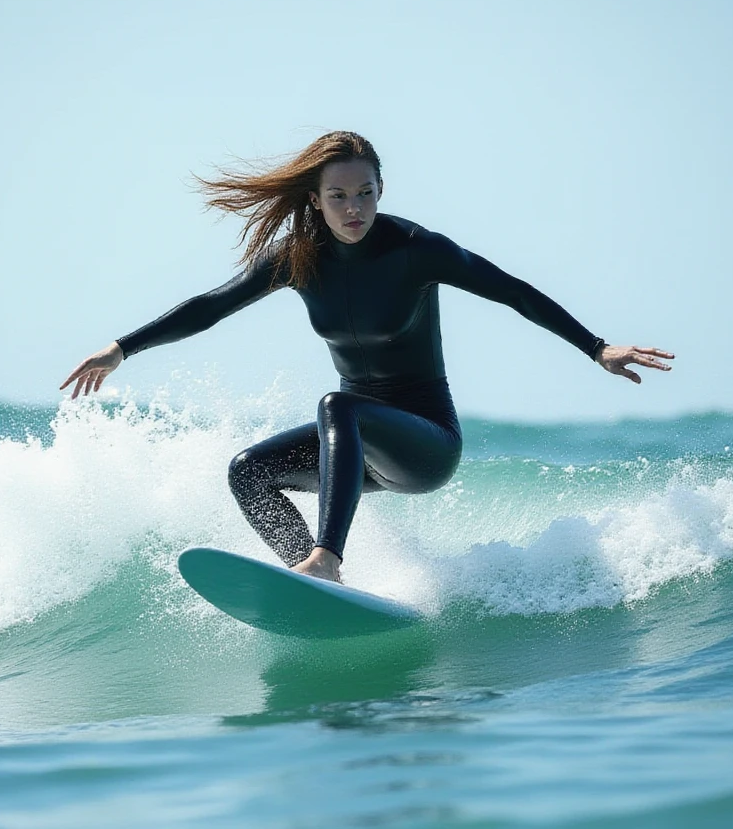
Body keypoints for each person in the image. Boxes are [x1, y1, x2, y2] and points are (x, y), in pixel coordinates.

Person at [61, 131, 673, 582]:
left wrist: (597, 348)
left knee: (339, 405)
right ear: (316, 198)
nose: (354, 209)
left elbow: (512, 290)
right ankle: (313, 575)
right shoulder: (297, 259)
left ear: (381, 191)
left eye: (365, 194)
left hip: (424, 444)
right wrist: (122, 349)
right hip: (353, 445)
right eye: (338, 197)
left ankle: (326, 558)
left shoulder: (415, 249)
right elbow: (211, 306)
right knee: (247, 471)